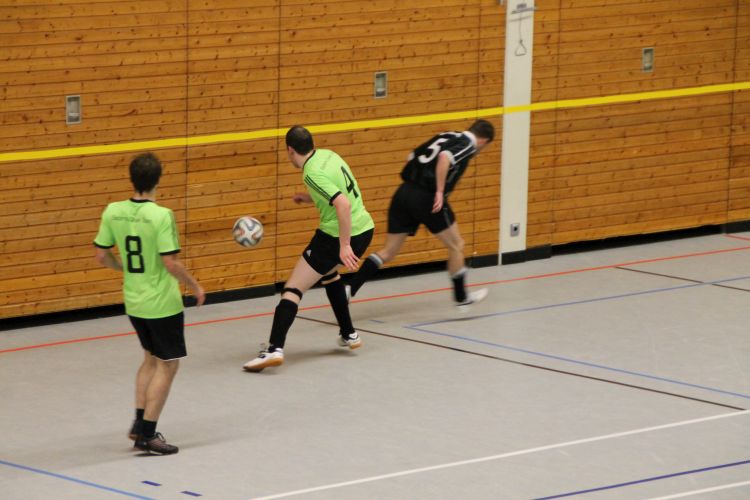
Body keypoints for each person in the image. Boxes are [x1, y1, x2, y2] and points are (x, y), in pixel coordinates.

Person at [94, 152, 205, 455]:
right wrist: (195, 286)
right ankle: (148, 434)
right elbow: (170, 262)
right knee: (168, 365)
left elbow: (101, 255)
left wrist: (122, 269)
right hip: (162, 303)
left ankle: (138, 422)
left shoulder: (113, 211)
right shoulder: (161, 216)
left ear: (132, 179)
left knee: (149, 359)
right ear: (158, 180)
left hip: (134, 300)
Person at [243, 125, 375, 372]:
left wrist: (344, 245)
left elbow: (342, 204)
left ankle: (274, 350)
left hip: (337, 236)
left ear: (290, 150)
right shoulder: (329, 155)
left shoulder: (310, 172)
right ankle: (349, 333)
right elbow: (341, 191)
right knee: (329, 273)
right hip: (365, 229)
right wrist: (308, 197)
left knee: (292, 288)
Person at [347, 119, 495, 309]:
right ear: (483, 141)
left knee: (388, 251)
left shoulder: (447, 135)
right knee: (457, 245)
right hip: (428, 197)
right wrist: (439, 191)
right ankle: (461, 298)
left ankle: (349, 290)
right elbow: (445, 158)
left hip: (404, 192)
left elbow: (412, 156)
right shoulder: (468, 144)